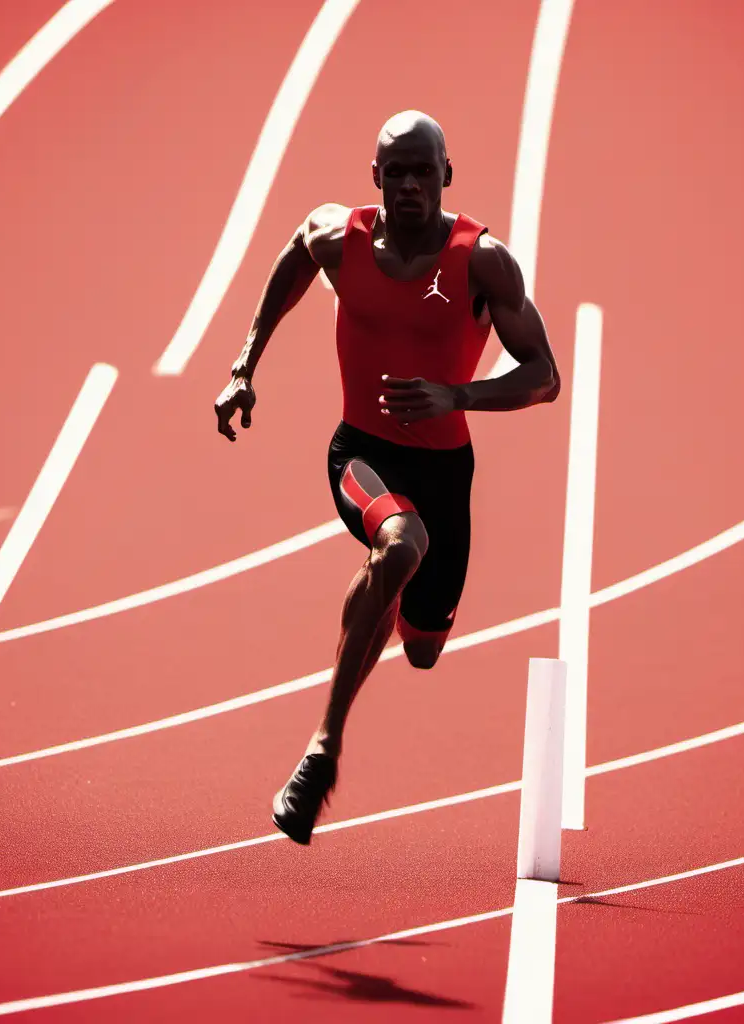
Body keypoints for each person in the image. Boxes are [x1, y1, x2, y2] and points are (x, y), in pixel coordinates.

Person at [214, 110, 560, 845]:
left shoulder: (484, 262)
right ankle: (320, 752)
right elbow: (293, 257)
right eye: (394, 171)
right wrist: (246, 364)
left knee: (423, 644)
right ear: (375, 177)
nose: (407, 185)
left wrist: (459, 396)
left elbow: (545, 376)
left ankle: (388, 593)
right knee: (402, 544)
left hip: (445, 468)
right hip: (361, 454)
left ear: (446, 177)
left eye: (421, 172)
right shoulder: (340, 237)